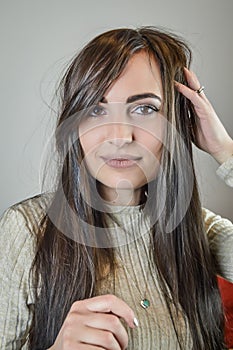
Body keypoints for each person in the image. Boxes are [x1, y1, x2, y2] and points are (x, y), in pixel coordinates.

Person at [0, 26, 233, 350]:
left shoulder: (197, 229)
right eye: (96, 109)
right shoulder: (25, 231)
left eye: (145, 109)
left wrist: (225, 149)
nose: (120, 136)